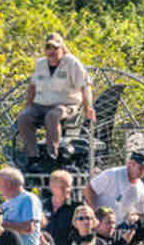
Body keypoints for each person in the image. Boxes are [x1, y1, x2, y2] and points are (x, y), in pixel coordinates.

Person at [14, 33, 96, 172]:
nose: (51, 52)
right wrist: (27, 106)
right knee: (23, 117)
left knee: (52, 115)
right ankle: (33, 157)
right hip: (40, 105)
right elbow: (33, 87)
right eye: (48, 48)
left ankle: (53, 155)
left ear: (62, 48)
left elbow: (85, 85)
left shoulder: (71, 62)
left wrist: (89, 107)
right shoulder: (40, 64)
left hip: (66, 105)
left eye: (55, 48)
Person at [84, 150, 144, 225]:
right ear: (130, 164)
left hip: (120, 229)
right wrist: (95, 215)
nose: (143, 171)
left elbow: (142, 212)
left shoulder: (140, 187)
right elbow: (89, 189)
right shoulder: (112, 174)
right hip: (100, 227)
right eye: (141, 167)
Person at [0, 165, 45, 245]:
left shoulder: (28, 199)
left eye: (0, 183)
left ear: (9, 183)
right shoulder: (4, 205)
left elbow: (28, 228)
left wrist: (0, 224)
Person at [43, 169, 77, 245]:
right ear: (52, 187)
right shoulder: (42, 206)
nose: (67, 190)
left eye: (69, 186)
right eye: (62, 187)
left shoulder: (76, 208)